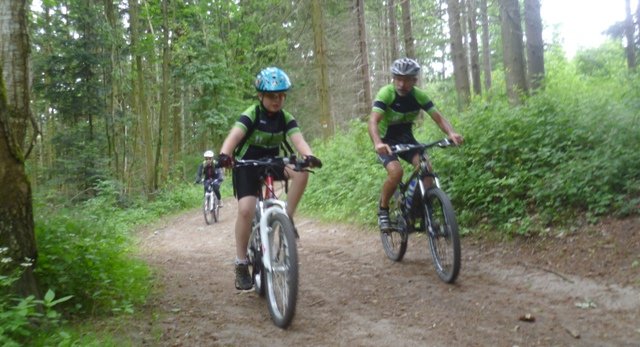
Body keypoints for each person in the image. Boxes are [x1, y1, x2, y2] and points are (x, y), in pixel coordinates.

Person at [217, 67, 322, 290]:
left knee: (301, 172)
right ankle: (241, 262)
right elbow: (234, 136)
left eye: (282, 95)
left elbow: (298, 140)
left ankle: (287, 219)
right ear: (261, 96)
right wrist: (225, 155)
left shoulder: (286, 118)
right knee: (246, 210)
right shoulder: (252, 114)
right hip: (246, 165)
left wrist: (309, 156)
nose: (278, 100)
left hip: (272, 162)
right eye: (273, 96)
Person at [367, 57, 464, 230]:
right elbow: (373, 121)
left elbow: (438, 118)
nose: (402, 84)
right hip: (386, 142)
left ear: (414, 80)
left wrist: (451, 133)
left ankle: (423, 212)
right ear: (393, 78)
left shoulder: (419, 96)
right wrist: (377, 143)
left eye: (406, 79)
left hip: (407, 140)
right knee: (396, 173)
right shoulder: (386, 93)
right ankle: (383, 209)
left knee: (426, 168)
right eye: (398, 78)